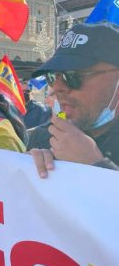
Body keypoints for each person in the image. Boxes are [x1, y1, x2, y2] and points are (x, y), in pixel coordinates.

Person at [28, 22, 119, 177]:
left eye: (72, 76)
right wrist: (27, 172)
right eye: (52, 77)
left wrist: (96, 166)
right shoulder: (43, 136)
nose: (56, 88)